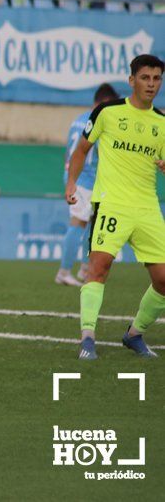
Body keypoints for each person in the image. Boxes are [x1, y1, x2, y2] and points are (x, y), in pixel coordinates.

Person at [66, 54, 165, 361]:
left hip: (147, 207)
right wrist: (71, 184)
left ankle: (134, 334)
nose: (151, 84)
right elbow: (82, 149)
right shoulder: (107, 112)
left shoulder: (162, 123)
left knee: (163, 280)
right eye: (145, 78)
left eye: (157, 78)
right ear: (131, 79)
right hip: (111, 203)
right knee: (99, 267)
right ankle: (87, 338)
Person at [56, 83, 120, 287]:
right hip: (84, 179)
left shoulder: (78, 119)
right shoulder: (98, 121)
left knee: (93, 225)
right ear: (103, 102)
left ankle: (85, 269)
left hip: (80, 178)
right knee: (78, 223)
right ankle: (64, 272)